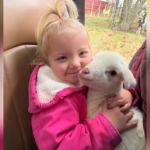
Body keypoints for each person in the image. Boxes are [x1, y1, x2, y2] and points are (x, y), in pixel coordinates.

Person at [28, 0, 137, 149]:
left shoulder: (82, 78)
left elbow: (107, 83)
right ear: (48, 63)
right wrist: (107, 125)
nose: (75, 63)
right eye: (62, 58)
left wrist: (127, 94)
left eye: (82, 53)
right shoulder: (54, 101)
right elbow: (62, 146)